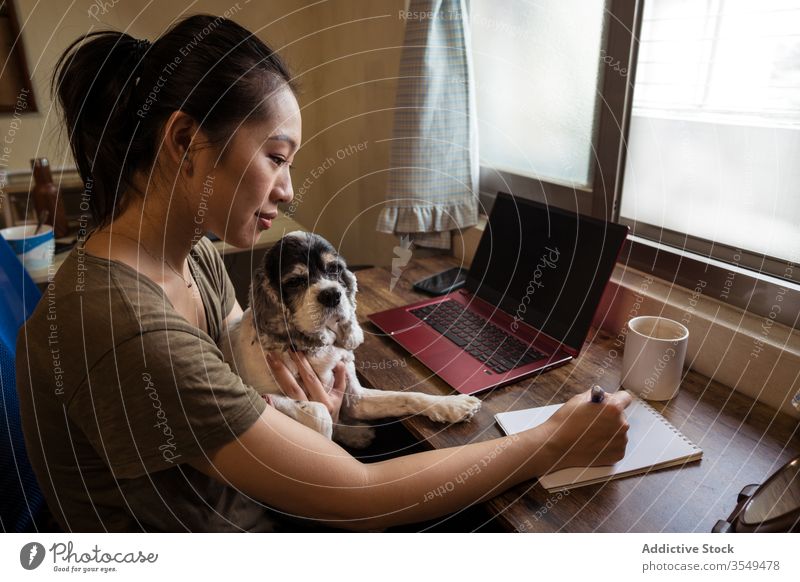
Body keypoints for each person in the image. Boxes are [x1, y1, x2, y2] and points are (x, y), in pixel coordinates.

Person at [15, 14, 631, 532]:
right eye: (276, 158)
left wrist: (323, 378)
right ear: (184, 141)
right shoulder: (125, 325)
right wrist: (550, 440)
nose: (286, 190)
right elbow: (356, 493)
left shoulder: (188, 253)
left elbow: (251, 346)